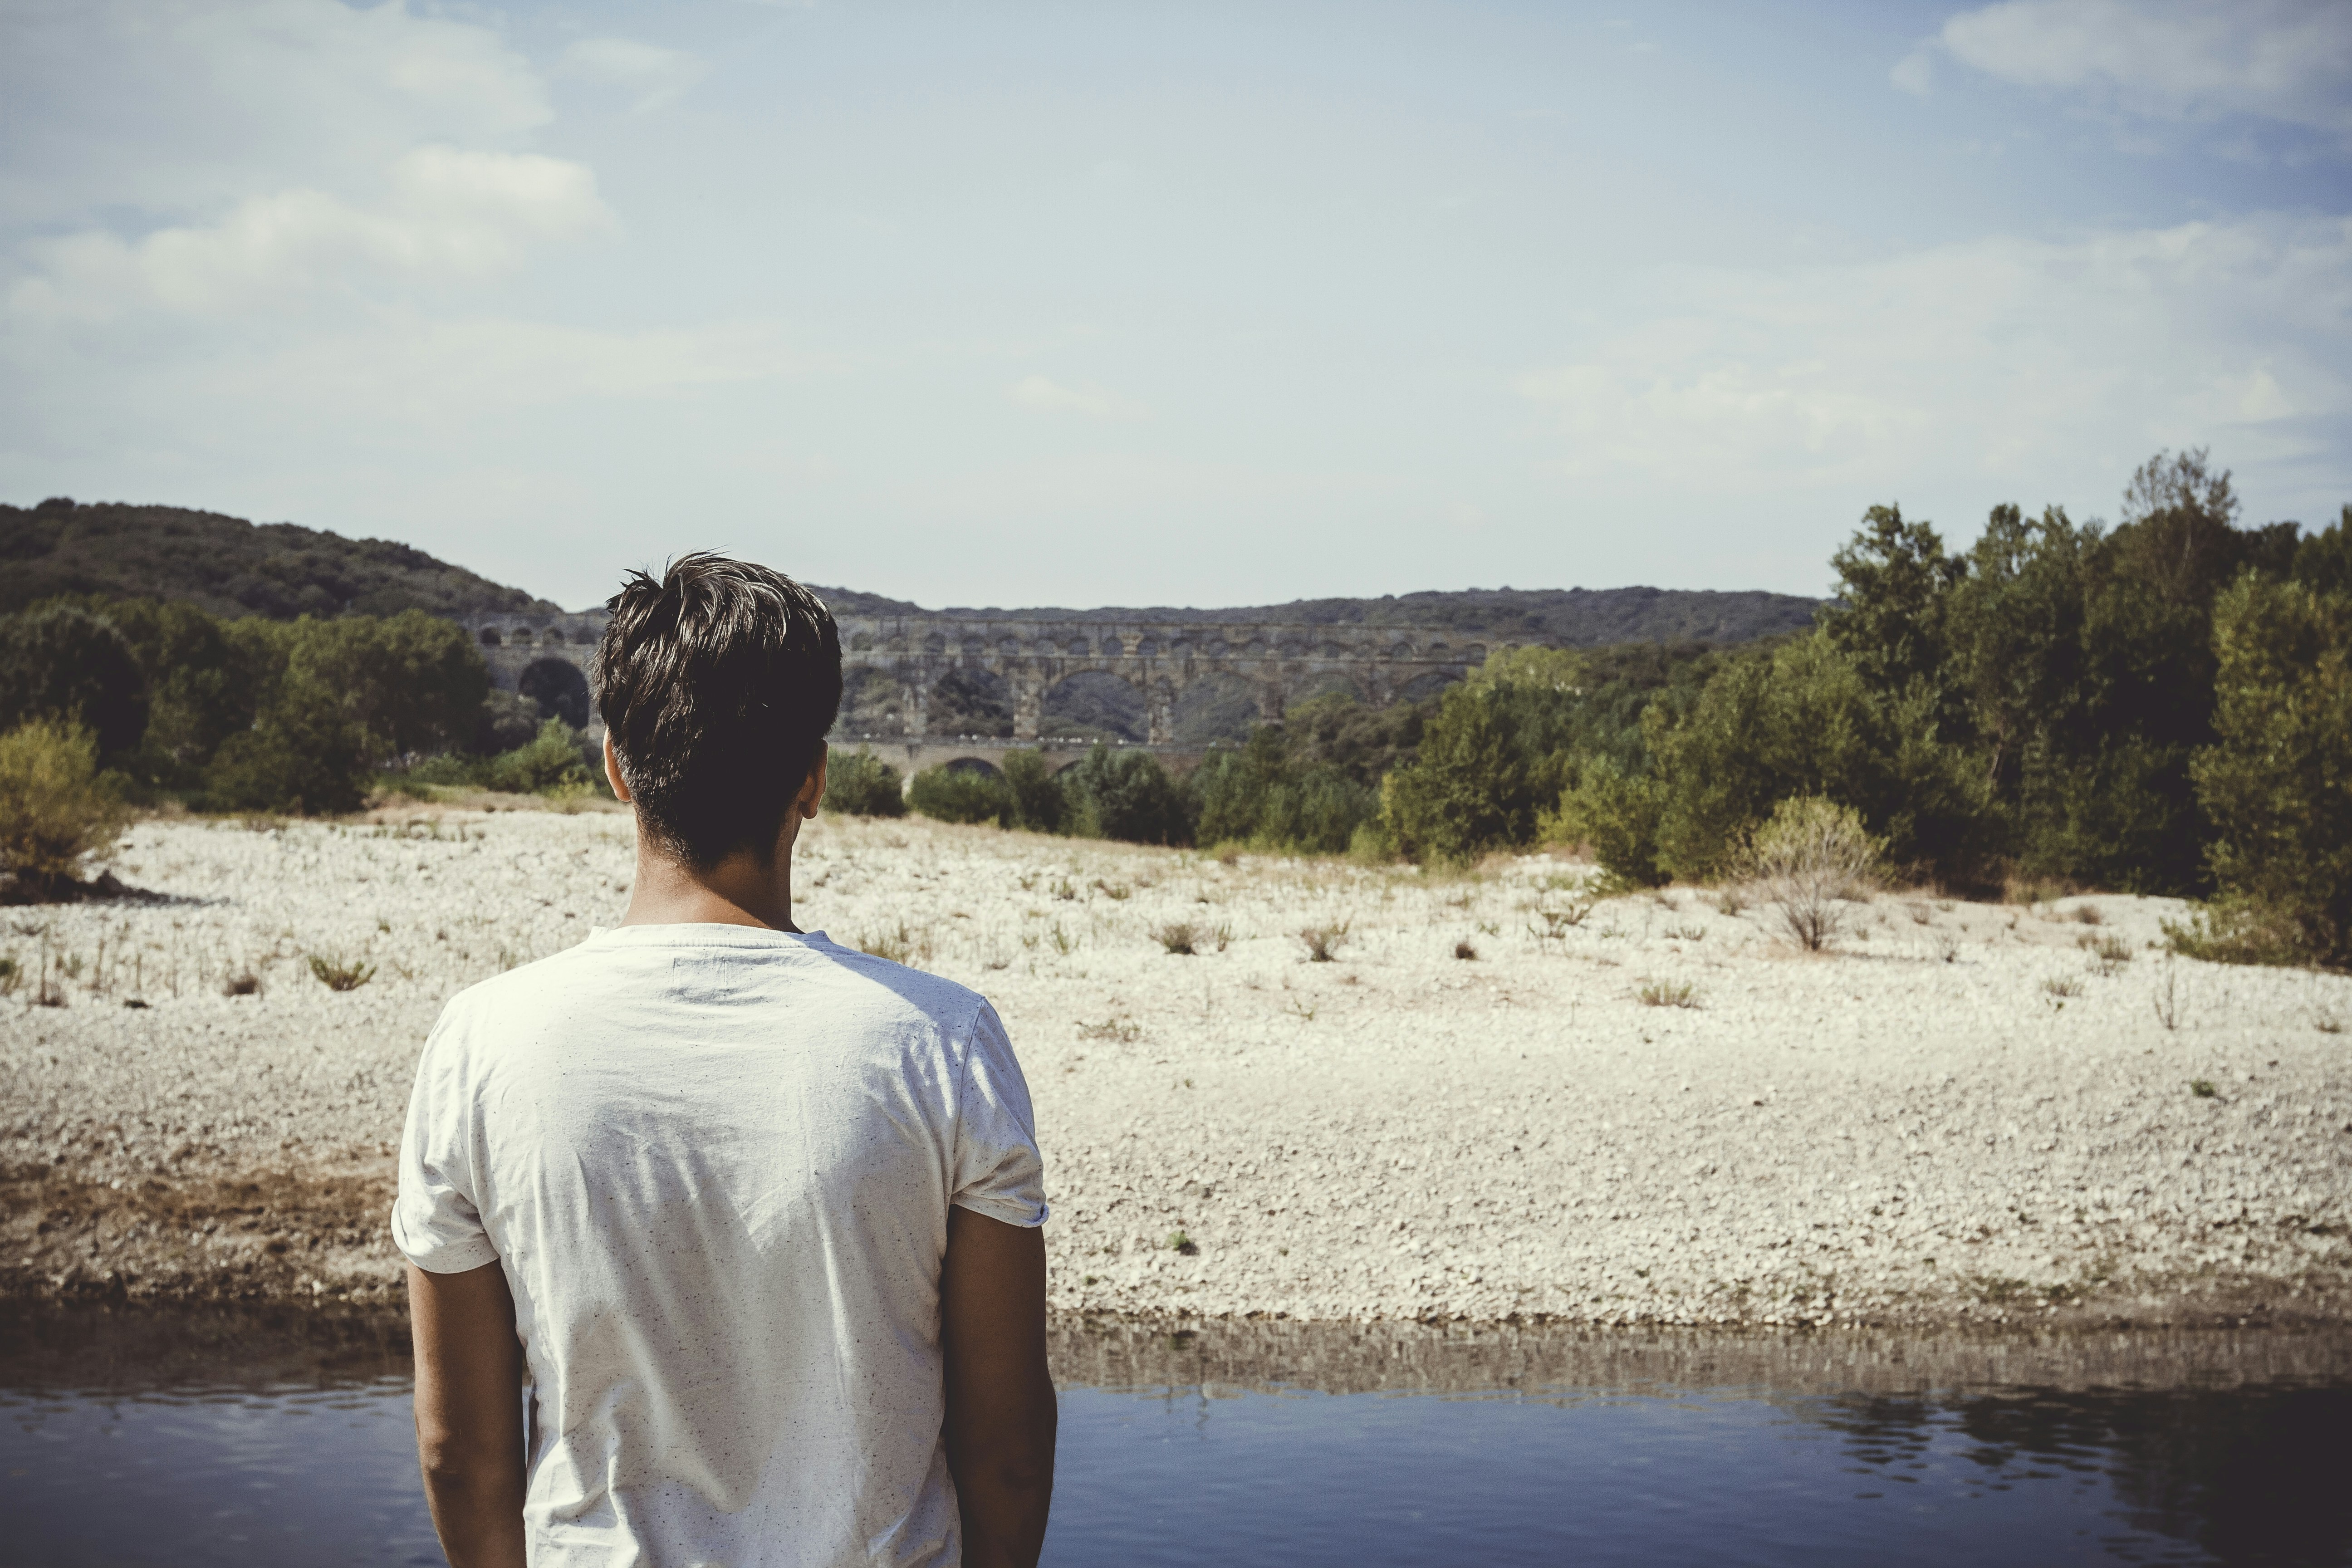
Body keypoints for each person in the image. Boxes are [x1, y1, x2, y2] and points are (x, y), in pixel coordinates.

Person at [393, 554, 1056, 1568]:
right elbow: (1004, 1449)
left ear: (616, 767)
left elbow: (460, 1454)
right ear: (814, 780)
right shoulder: (946, 1045)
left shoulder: (481, 1043)